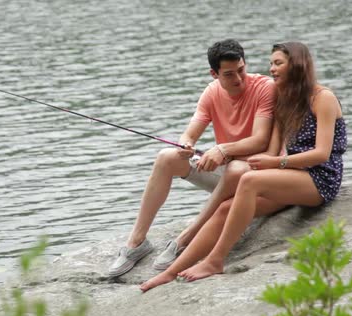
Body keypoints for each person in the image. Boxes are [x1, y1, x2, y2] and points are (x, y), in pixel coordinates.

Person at [139, 41, 347, 291]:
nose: (272, 69)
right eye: (271, 63)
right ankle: (171, 272)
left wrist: (272, 163)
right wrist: (257, 164)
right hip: (291, 178)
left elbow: (322, 154)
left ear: (298, 65)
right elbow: (271, 150)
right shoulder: (284, 100)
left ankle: (215, 261)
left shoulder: (323, 98)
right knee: (227, 206)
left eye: (278, 63)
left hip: (320, 180)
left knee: (249, 181)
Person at [108, 39, 276, 278]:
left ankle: (185, 239)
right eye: (229, 74)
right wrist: (186, 144)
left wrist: (222, 150)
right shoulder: (211, 92)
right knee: (167, 157)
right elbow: (190, 133)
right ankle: (136, 243)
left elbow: (260, 140)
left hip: (255, 177)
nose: (238, 79)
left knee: (236, 167)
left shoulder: (264, 88)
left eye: (241, 70)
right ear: (214, 74)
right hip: (228, 174)